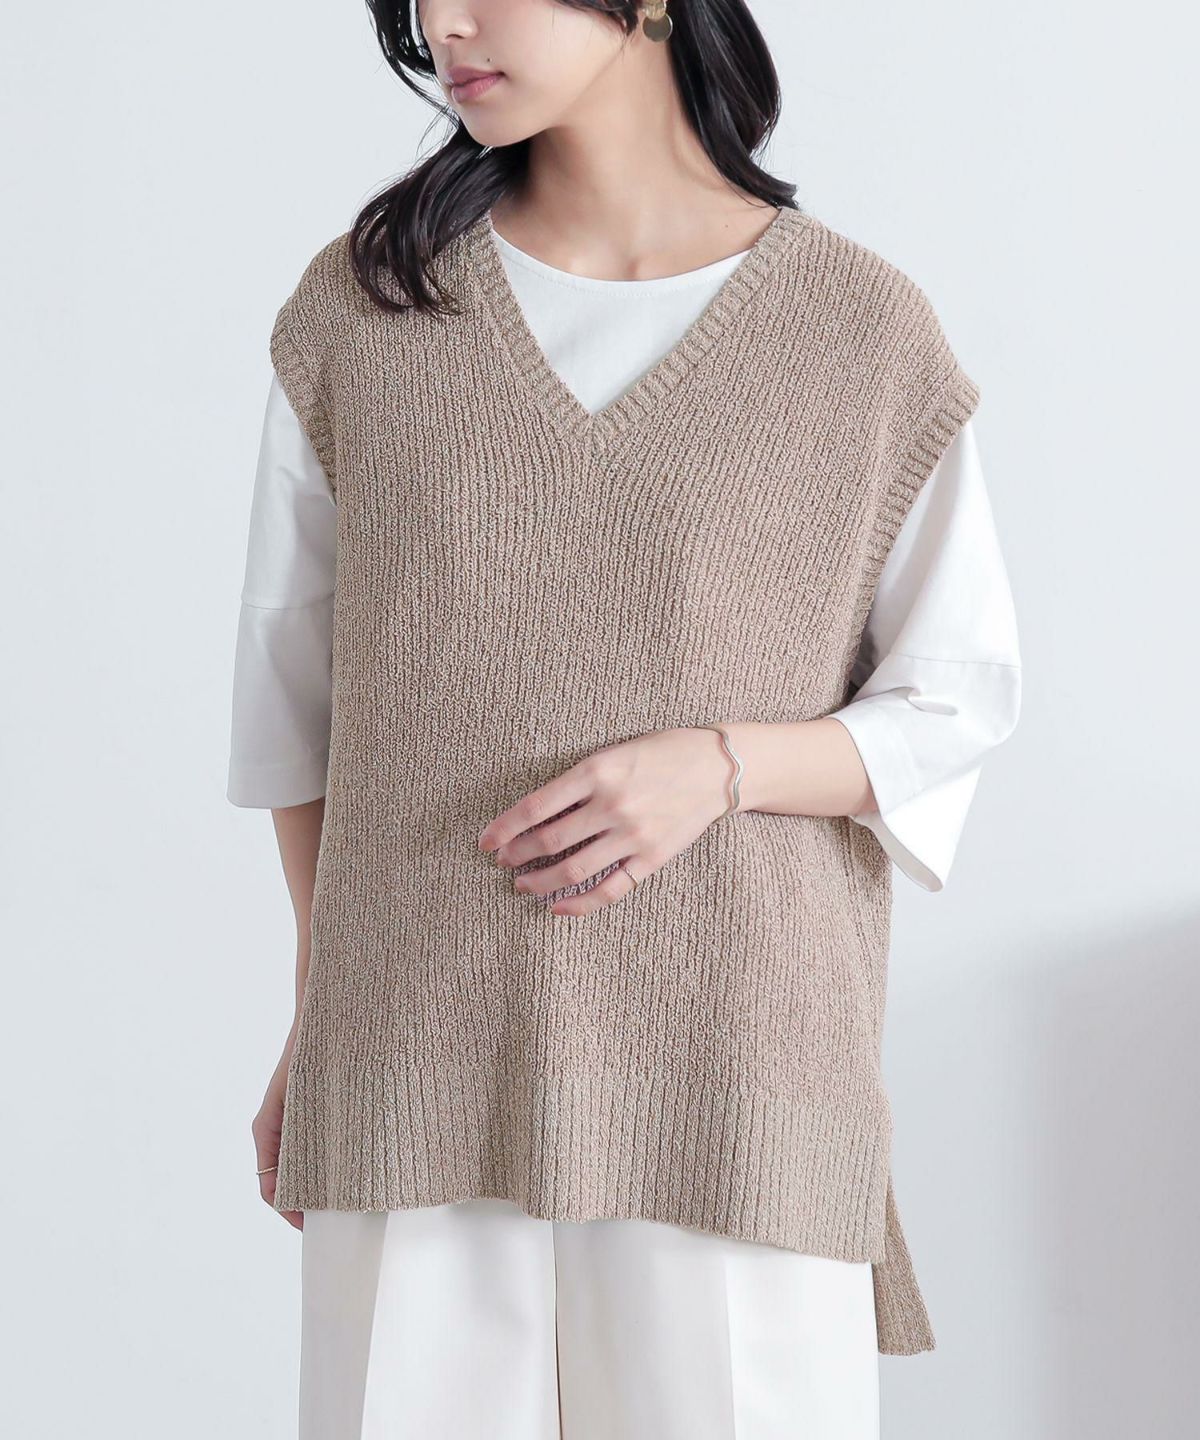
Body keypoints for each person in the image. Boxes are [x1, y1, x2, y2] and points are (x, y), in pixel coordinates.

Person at [227, 2, 1022, 1435]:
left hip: (740, 1078)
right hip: (414, 1056)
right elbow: (299, 706)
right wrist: (317, 1012)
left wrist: (720, 769)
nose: (442, 23)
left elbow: (959, 691)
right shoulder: (365, 309)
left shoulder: (860, 331)